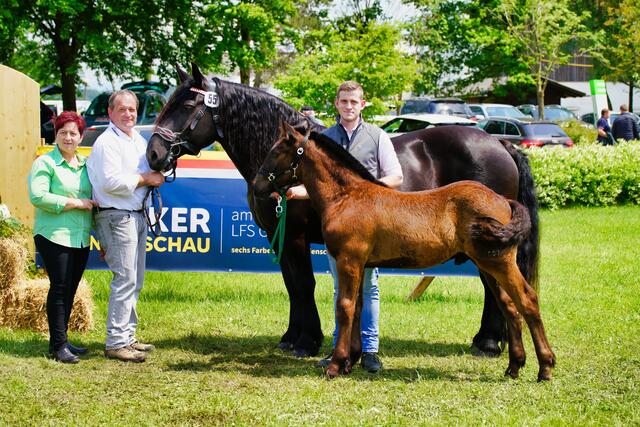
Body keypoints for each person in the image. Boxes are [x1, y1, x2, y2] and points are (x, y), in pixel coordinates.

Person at [286, 81, 403, 373]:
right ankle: (341, 348)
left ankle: (371, 350)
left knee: (369, 288)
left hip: (369, 227)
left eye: (354, 102)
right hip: (338, 229)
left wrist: (363, 193)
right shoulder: (324, 138)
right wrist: (296, 192)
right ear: (336, 104)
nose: (348, 106)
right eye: (344, 101)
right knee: (341, 288)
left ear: (362, 105)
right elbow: (315, 184)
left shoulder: (377, 136)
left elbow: (396, 177)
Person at [87, 90, 165, 363]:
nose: (129, 114)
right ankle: (116, 342)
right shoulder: (106, 142)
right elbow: (110, 183)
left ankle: (127, 336)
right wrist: (146, 178)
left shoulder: (136, 140)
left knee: (136, 279)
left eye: (132, 109)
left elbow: (152, 171)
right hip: (115, 215)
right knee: (125, 279)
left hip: (135, 214)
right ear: (110, 113)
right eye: (122, 109)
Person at [28, 111, 96, 364]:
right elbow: (38, 196)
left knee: (70, 289)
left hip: (80, 237)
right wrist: (74, 202)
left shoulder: (85, 165)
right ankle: (58, 347)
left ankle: (62, 340)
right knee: (59, 288)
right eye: (63, 132)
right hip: (53, 235)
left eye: (73, 133)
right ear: (55, 134)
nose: (68, 137)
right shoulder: (45, 163)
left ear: (81, 137)